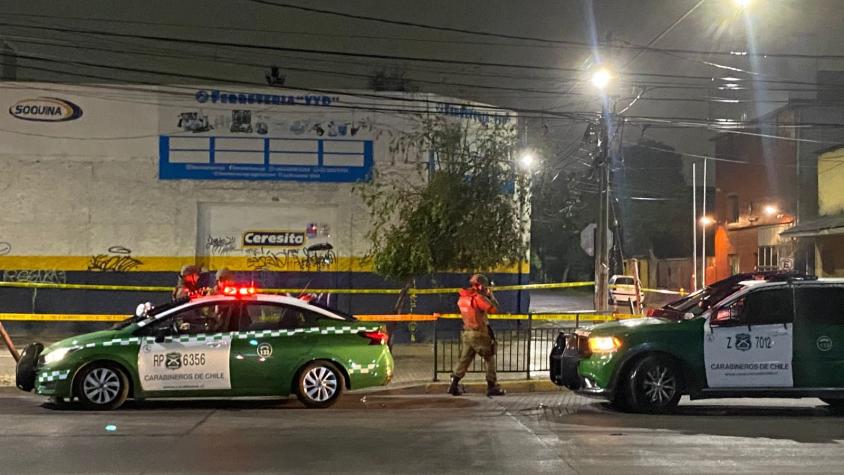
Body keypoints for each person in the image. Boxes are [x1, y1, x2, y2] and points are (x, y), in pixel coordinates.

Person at [448, 274, 506, 397]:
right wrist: (490, 296)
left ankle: (453, 385)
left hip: (467, 333)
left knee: (464, 360)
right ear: (481, 286)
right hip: (479, 333)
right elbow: (495, 309)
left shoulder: (462, 298)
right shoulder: (478, 298)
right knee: (489, 357)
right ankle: (492, 386)